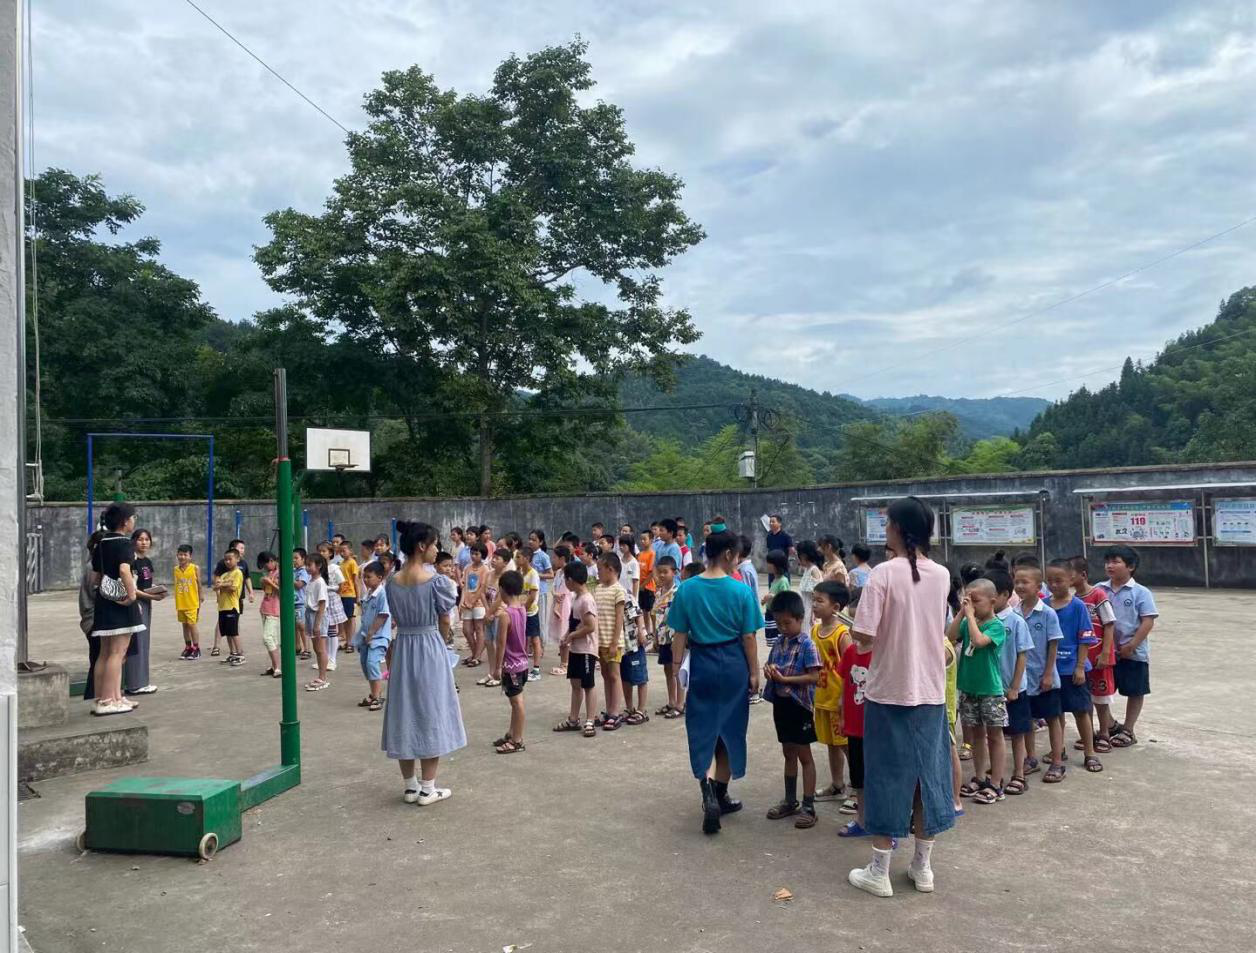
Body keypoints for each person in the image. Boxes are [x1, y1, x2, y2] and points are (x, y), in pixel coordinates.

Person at [848, 497, 952, 898]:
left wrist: (858, 629)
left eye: (887, 522)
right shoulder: (941, 574)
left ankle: (880, 870)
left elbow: (864, 634)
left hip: (889, 689)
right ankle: (922, 866)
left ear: (898, 528)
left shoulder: (883, 574)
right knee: (928, 778)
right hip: (930, 689)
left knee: (886, 777)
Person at [664, 529, 763, 835]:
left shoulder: (687, 589)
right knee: (730, 729)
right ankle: (721, 793)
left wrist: (677, 669)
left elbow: (679, 634)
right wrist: (754, 671)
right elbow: (749, 637)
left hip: (702, 664)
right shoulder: (741, 591)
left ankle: (708, 793)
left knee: (703, 728)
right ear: (729, 554)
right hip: (733, 664)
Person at [381, 521, 464, 804]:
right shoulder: (436, 581)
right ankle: (428, 788)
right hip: (429, 645)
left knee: (403, 710)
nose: (437, 550)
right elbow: (444, 618)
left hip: (403, 645)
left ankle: (410, 786)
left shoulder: (392, 581)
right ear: (421, 546)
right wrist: (442, 641)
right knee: (431, 710)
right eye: (435, 544)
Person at [762, 590, 822, 829]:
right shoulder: (779, 642)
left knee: (804, 755)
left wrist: (786, 679)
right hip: (782, 704)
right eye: (779, 623)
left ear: (800, 619)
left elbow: (814, 676)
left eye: (787, 623)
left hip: (799, 706)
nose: (783, 628)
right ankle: (790, 800)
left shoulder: (807, 644)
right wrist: (769, 670)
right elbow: (771, 663)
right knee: (788, 752)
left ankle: (809, 805)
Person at [948, 578, 1008, 805]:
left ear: (992, 601)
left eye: (976, 601)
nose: (971, 606)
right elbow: (950, 637)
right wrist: (961, 613)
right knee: (976, 736)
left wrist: (970, 617)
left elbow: (979, 641)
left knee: (995, 735)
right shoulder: (967, 621)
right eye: (968, 601)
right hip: (968, 687)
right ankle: (980, 777)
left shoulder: (996, 626)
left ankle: (996, 783)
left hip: (989, 689)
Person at [1046, 557, 1101, 774]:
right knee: (1055, 713)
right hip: (1052, 670)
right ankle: (1058, 750)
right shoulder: (1044, 605)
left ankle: (1090, 752)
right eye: (1050, 580)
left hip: (1073, 669)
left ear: (1070, 579)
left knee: (1081, 711)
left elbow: (1085, 637)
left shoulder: (1078, 606)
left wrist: (1079, 666)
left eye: (1059, 580)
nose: (1054, 584)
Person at [88, 504, 145, 716]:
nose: (134, 521)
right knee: (117, 653)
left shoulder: (101, 544)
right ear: (125, 521)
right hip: (121, 605)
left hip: (104, 602)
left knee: (104, 653)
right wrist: (132, 595)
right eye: (133, 518)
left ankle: (106, 698)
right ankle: (108, 700)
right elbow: (124, 570)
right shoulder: (124, 544)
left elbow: (96, 576)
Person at [1099, 545, 1157, 749]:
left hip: (1133, 652)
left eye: (1116, 562)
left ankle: (1128, 730)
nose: (1110, 566)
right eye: (1108, 562)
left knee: (1135, 690)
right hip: (1106, 652)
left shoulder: (1140, 592)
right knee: (1100, 690)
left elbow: (1147, 621)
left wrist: (1131, 646)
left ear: (1130, 567)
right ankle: (1109, 725)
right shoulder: (1099, 589)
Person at [1014, 564, 1064, 782]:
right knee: (1027, 720)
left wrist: (1048, 674)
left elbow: (1053, 645)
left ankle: (1057, 761)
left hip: (1044, 676)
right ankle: (1031, 757)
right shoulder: (1014, 612)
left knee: (1052, 718)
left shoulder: (1047, 613)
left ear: (1038, 586)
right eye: (1017, 582)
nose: (1020, 586)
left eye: (1025, 582)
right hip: (1024, 679)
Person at [985, 568, 1032, 797]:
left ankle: (1019, 774)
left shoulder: (1015, 621)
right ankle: (996, 772)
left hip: (1013, 689)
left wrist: (1014, 687)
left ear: (1004, 595)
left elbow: (1022, 655)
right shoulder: (983, 621)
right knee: (994, 733)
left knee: (1017, 732)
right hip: (990, 688)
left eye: (991, 596)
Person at [811, 580, 853, 807]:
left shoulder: (842, 634)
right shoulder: (815, 630)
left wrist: (844, 699)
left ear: (835, 607)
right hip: (821, 698)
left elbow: (851, 670)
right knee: (831, 744)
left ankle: (858, 790)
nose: (814, 605)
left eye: (820, 600)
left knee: (847, 746)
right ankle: (837, 785)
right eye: (813, 599)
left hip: (838, 701)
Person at [1070, 555, 1117, 752]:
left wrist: (1105, 652)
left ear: (1083, 575)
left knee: (1101, 697)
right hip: (1083, 658)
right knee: (1085, 698)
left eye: (1070, 574)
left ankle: (1104, 733)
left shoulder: (1098, 595)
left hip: (1099, 656)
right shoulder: (1073, 600)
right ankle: (1088, 734)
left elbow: (1109, 624)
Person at [835, 618, 874, 834]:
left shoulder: (882, 653)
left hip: (876, 727)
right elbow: (844, 683)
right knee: (858, 775)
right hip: (854, 725)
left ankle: (885, 825)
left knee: (878, 775)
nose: (854, 627)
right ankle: (862, 819)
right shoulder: (850, 651)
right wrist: (842, 714)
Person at [554, 560, 600, 737]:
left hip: (586, 649)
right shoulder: (576, 598)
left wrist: (572, 635)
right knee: (575, 684)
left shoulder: (587, 600)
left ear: (571, 580)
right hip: (575, 648)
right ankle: (573, 719)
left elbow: (590, 626)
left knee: (588, 685)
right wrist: (567, 635)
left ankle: (590, 720)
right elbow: (574, 623)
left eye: (565, 579)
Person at [491, 569, 530, 754]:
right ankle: (512, 733)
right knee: (515, 702)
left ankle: (517, 740)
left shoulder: (505, 615)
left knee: (517, 702)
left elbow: (501, 643)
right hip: (522, 663)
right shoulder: (522, 609)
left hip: (511, 664)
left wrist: (497, 667)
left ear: (502, 590)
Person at [124, 528, 163, 695]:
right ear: (133, 541)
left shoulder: (147, 561)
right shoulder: (131, 561)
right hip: (136, 604)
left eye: (147, 539)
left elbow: (146, 583)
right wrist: (152, 596)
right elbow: (131, 588)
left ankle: (142, 681)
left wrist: (156, 590)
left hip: (146, 603)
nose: (144, 542)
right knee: (137, 643)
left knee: (144, 643)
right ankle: (134, 684)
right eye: (140, 539)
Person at [593, 552, 628, 730]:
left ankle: (615, 712)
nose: (598, 573)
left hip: (613, 641)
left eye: (600, 569)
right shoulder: (598, 589)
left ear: (611, 569)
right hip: (600, 641)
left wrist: (614, 642)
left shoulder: (619, 590)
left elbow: (619, 618)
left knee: (614, 676)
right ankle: (608, 710)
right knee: (605, 675)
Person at [353, 561, 392, 711]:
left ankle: (377, 697)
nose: (365, 580)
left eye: (369, 577)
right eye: (364, 577)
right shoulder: (368, 593)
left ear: (380, 577)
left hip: (378, 637)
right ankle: (373, 693)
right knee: (365, 664)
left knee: (372, 663)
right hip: (366, 636)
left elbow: (383, 615)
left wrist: (371, 632)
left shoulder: (382, 594)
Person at [652, 555, 683, 718]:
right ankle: (671, 701)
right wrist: (655, 637)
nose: (662, 575)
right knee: (667, 669)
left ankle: (680, 703)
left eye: (666, 572)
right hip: (662, 637)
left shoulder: (678, 592)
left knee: (677, 670)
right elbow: (655, 615)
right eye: (660, 572)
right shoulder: (658, 593)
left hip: (675, 638)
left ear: (674, 572)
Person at [514, 545, 544, 682]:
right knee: (523, 639)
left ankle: (536, 669)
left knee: (534, 639)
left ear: (526, 558)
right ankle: (523, 666)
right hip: (521, 611)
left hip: (531, 612)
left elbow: (532, 596)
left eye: (518, 557)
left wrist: (524, 609)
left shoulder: (533, 574)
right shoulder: (520, 573)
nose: (516, 559)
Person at [303, 553, 332, 691]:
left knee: (321, 649)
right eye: (306, 565)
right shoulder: (311, 581)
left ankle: (323, 677)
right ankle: (320, 676)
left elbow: (322, 604)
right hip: (310, 614)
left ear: (319, 566)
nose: (307, 567)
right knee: (317, 648)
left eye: (310, 565)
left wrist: (317, 624)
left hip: (317, 616)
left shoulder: (320, 582)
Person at [213, 549, 246, 667]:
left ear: (237, 559)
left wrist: (222, 585)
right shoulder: (224, 575)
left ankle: (240, 654)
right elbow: (215, 587)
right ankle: (233, 653)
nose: (227, 561)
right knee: (227, 632)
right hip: (222, 607)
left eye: (230, 559)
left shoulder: (238, 573)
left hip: (232, 607)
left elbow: (233, 588)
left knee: (233, 632)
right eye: (225, 559)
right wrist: (223, 585)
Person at [459, 542, 489, 668]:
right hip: (467, 602)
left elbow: (482, 588)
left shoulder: (485, 569)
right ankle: (475, 654)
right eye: (472, 553)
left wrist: (473, 601)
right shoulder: (467, 568)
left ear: (482, 555)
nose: (473, 556)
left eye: (476, 554)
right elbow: (464, 586)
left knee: (479, 629)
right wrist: (462, 601)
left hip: (479, 603)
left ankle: (476, 657)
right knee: (466, 630)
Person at [173, 544, 202, 660]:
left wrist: (201, 596)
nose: (182, 557)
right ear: (177, 555)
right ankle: (188, 647)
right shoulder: (176, 569)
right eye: (180, 554)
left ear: (190, 556)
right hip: (181, 602)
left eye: (185, 555)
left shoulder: (195, 568)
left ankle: (196, 648)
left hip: (192, 602)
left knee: (192, 624)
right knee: (184, 625)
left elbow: (199, 583)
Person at [548, 544, 573, 676]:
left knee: (565, 633)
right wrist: (554, 593)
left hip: (565, 605)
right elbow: (553, 587)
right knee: (560, 634)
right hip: (557, 603)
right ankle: (563, 662)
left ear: (562, 558)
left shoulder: (569, 572)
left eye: (555, 557)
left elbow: (566, 591)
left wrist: (559, 595)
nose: (553, 560)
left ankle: (566, 663)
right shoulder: (558, 573)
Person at [257, 551, 283, 678]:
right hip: (265, 608)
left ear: (272, 561)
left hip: (274, 609)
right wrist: (264, 583)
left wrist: (270, 582)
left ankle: (278, 667)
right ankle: (274, 666)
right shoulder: (270, 573)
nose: (266, 568)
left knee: (268, 638)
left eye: (266, 564)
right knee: (272, 639)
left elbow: (283, 591)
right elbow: (267, 590)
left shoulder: (280, 573)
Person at [761, 550, 791, 649]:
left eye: (770, 563)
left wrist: (772, 596)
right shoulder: (775, 580)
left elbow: (785, 597)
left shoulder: (783, 581)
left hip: (777, 615)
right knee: (773, 642)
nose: (767, 565)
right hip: (771, 614)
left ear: (777, 565)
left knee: (778, 641)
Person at [337, 540, 360, 655]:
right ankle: (347, 641)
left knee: (351, 618)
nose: (342, 553)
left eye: (344, 550)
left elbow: (356, 581)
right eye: (340, 551)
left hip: (350, 595)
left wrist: (358, 596)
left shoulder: (352, 563)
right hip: (342, 594)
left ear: (350, 551)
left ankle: (351, 643)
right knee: (345, 619)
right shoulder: (341, 564)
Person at [795, 540, 824, 632]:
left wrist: (813, 614)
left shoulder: (814, 571)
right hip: (804, 609)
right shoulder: (807, 570)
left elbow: (817, 595)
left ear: (803, 556)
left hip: (810, 611)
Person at [636, 530, 656, 644]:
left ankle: (650, 632)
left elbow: (651, 572)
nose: (642, 541)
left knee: (648, 611)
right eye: (641, 539)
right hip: (640, 587)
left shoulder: (652, 554)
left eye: (645, 539)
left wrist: (643, 585)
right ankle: (646, 632)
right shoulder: (640, 554)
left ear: (651, 540)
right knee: (642, 611)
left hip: (648, 587)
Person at [293, 548, 311, 660]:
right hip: (293, 602)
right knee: (295, 626)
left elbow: (299, 585)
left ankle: (307, 649)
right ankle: (297, 646)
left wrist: (289, 578)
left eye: (296, 558)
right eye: (292, 558)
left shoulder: (303, 571)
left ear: (303, 559)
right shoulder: (293, 571)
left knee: (302, 626)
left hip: (300, 603)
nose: (294, 560)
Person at [764, 515, 794, 582]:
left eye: (773, 522)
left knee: (783, 584)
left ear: (779, 523)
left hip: (782, 566)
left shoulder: (786, 536)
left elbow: (791, 550)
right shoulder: (769, 537)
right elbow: (769, 549)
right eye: (770, 522)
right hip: (772, 565)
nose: (771, 523)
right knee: (772, 585)